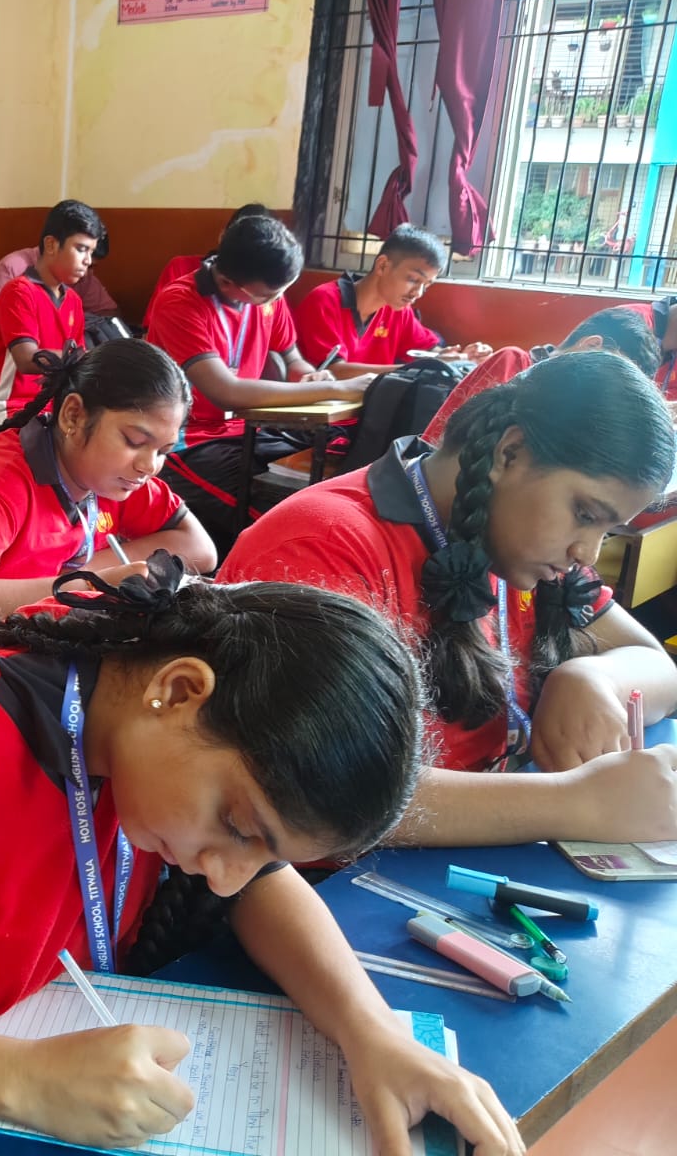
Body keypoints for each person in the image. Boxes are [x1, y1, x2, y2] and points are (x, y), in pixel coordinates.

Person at [0, 559, 523, 1156]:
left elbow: (262, 879)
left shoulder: (144, 734)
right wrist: (23, 1080)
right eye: (238, 823)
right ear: (180, 690)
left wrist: (371, 1034)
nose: (227, 872)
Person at [220, 350, 677, 846]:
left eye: (608, 531)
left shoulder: (522, 549)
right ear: (510, 454)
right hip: (338, 879)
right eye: (585, 515)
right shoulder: (324, 545)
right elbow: (319, 793)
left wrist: (592, 677)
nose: (587, 552)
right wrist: (577, 803)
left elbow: (657, 665)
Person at [0, 340, 216, 635]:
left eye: (163, 451)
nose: (149, 466)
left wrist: (79, 573)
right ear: (73, 415)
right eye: (135, 441)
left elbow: (200, 548)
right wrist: (88, 584)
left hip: (0, 639)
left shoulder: (112, 477)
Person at [147, 214, 374, 557]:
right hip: (189, 442)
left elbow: (293, 358)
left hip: (249, 428)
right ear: (227, 281)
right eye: (269, 295)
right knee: (277, 510)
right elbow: (226, 392)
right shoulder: (180, 302)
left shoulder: (267, 294)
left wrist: (310, 375)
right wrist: (336, 389)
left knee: (332, 459)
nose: (277, 300)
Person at [421, 305, 660, 446]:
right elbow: (454, 448)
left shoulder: (574, 400)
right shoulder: (514, 363)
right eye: (614, 372)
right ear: (590, 346)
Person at [293, 225, 490, 377]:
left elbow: (428, 350)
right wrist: (422, 368)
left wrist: (460, 356)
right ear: (382, 265)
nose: (418, 293)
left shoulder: (398, 309)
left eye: (427, 285)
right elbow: (335, 371)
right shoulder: (324, 301)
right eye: (413, 279)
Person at [0, 200, 104, 432]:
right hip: (9, 409)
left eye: (91, 252)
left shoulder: (74, 301)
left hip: (55, 410)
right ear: (51, 244)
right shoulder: (19, 291)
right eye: (81, 249)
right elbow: (26, 359)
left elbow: (77, 363)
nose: (87, 260)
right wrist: (89, 358)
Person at [0, 225, 119, 325]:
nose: (85, 272)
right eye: (81, 259)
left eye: (91, 266)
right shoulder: (14, 268)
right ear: (53, 246)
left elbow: (110, 315)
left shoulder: (80, 281)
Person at [145, 202, 271, 314]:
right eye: (239, 241)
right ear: (223, 236)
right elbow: (151, 328)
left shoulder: (267, 292)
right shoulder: (180, 268)